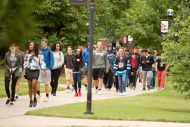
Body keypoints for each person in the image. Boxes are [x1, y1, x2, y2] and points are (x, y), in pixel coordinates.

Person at [24, 42, 46, 107]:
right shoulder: (27, 54)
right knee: (30, 85)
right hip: (28, 70)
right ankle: (31, 101)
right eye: (30, 45)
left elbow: (42, 62)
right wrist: (25, 70)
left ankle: (35, 98)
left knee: (34, 84)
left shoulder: (39, 54)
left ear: (34, 46)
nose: (30, 46)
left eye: (31, 45)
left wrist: (44, 69)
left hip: (36, 70)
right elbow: (25, 62)